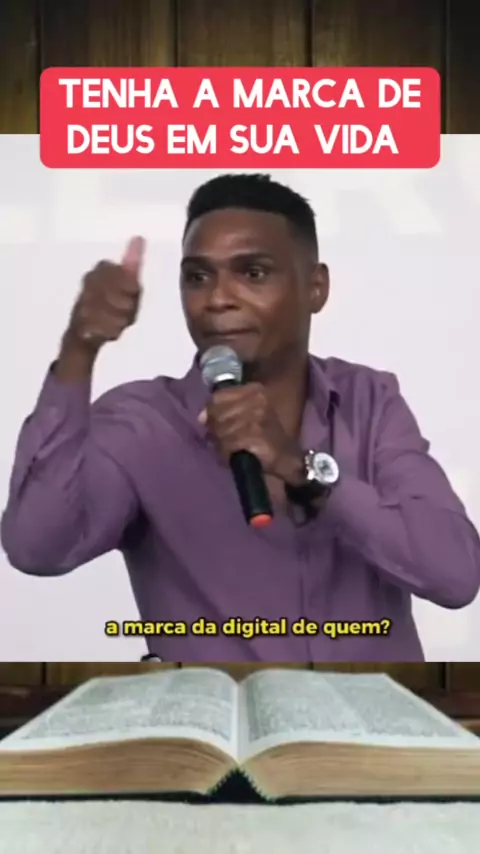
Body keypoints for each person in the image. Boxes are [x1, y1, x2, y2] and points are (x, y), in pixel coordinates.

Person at [2, 173, 480, 663]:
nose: (217, 299)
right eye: (197, 277)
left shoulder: (369, 401)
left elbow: (455, 575)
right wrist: (79, 349)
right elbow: (37, 547)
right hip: (221, 714)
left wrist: (299, 468)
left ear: (316, 288)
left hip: (370, 713)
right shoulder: (141, 423)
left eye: (252, 273)